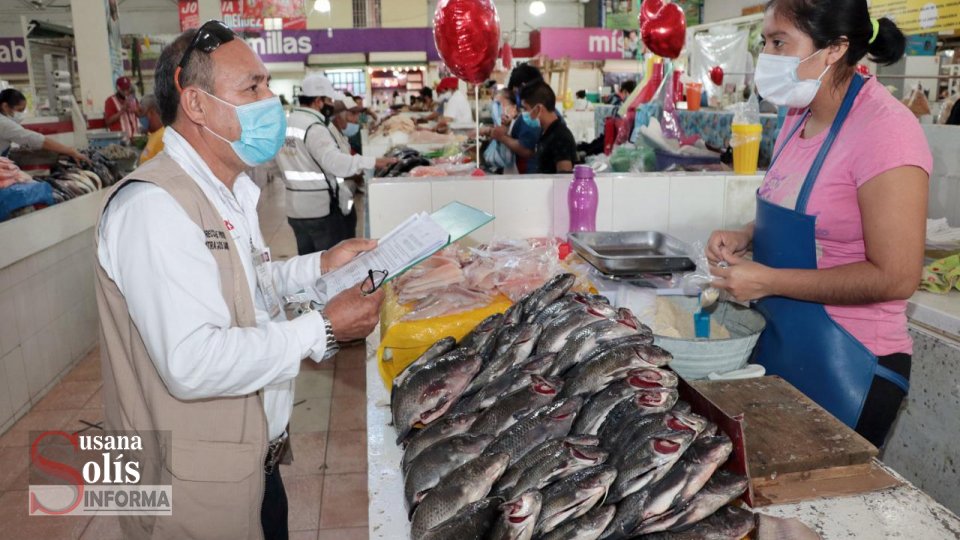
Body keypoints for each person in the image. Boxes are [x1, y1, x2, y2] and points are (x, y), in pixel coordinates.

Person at [96, 21, 385, 539]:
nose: (270, 101)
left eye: (267, 85)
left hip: (253, 461)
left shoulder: (227, 190)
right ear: (196, 104)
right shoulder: (154, 208)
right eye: (252, 88)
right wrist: (322, 327)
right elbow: (192, 361)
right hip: (191, 485)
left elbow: (246, 284)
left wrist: (320, 264)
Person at [707, 0, 930, 448]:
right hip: (784, 346)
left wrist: (768, 280)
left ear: (834, 48)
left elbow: (896, 276)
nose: (766, 56)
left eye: (779, 42)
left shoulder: (886, 131)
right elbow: (815, 211)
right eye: (765, 42)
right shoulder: (797, 115)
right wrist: (747, 235)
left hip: (851, 362)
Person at [276, 73, 397, 255]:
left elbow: (273, 166)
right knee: (332, 264)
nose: (331, 105)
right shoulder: (314, 127)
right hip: (320, 209)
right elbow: (335, 163)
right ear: (318, 101)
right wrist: (372, 162)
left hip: (295, 210)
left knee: (309, 263)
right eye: (329, 100)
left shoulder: (285, 124)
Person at [0, 88, 89, 162]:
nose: (20, 114)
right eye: (19, 110)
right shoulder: (3, 123)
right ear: (5, 106)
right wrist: (71, 151)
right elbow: (33, 139)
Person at [490, 63, 543, 173]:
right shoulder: (527, 112)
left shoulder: (533, 112)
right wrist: (509, 124)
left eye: (515, 92)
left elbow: (527, 150)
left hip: (530, 173)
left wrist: (502, 137)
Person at [519, 80, 577, 174]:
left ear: (538, 109)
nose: (524, 114)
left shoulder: (560, 137)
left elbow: (564, 177)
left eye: (526, 109)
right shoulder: (545, 132)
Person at [138, 94, 165, 164]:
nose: (140, 117)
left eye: (142, 112)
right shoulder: (153, 134)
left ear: (151, 112)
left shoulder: (162, 137)